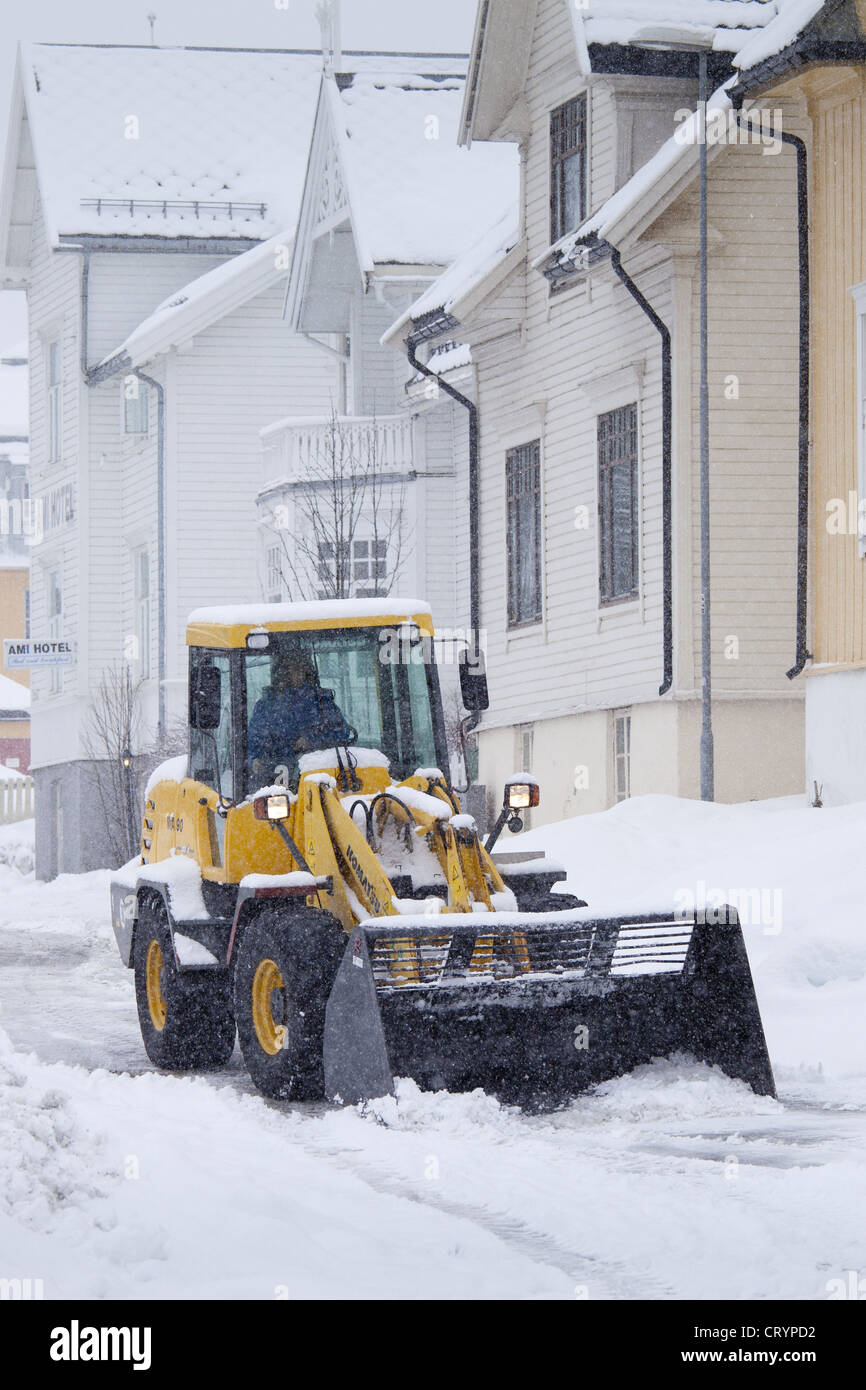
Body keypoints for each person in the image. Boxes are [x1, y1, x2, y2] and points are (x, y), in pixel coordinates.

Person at [248, 644, 353, 782]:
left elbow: (341, 732)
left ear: (307, 671)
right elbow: (253, 740)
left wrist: (311, 740)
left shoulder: (321, 702)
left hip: (319, 775)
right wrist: (254, 759)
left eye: (300, 668)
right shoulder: (266, 706)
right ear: (282, 672)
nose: (296, 674)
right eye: (290, 669)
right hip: (274, 777)